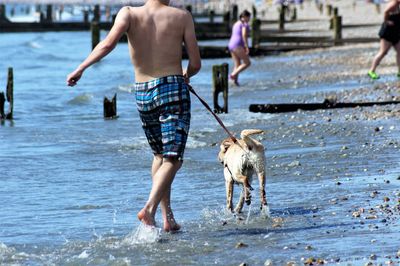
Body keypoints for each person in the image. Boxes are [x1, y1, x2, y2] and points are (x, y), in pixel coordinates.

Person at [66, 0, 201, 232]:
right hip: (172, 88)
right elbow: (196, 63)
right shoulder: (182, 17)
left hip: (142, 91)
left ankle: (167, 218)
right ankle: (148, 209)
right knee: (174, 158)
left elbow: (107, 44)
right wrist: (186, 74)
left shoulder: (128, 13)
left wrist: (81, 68)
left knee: (159, 155)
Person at [368, 0, 400, 80]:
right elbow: (386, 11)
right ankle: (371, 71)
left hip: (396, 31)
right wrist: (387, 21)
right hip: (388, 32)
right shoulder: (394, 3)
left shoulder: (397, 4)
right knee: (383, 52)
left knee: (399, 51)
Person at [228, 10, 251, 86]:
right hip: (237, 45)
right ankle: (232, 75)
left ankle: (235, 82)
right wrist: (246, 46)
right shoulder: (244, 24)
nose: (249, 19)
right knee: (247, 63)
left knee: (237, 64)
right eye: (248, 17)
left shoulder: (236, 23)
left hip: (231, 44)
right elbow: (244, 35)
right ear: (244, 17)